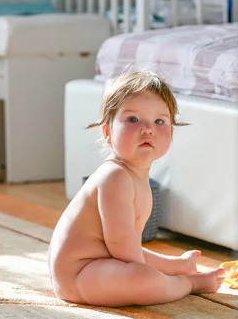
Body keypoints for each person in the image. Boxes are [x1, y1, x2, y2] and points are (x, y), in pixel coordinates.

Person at [48, 71, 225, 307]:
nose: (147, 129)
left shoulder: (134, 176)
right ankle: (190, 284)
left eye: (159, 121)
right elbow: (123, 249)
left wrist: (172, 264)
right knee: (144, 279)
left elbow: (126, 245)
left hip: (102, 265)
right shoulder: (115, 177)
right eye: (133, 119)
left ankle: (178, 271)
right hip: (80, 274)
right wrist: (162, 274)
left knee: (143, 273)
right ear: (108, 132)